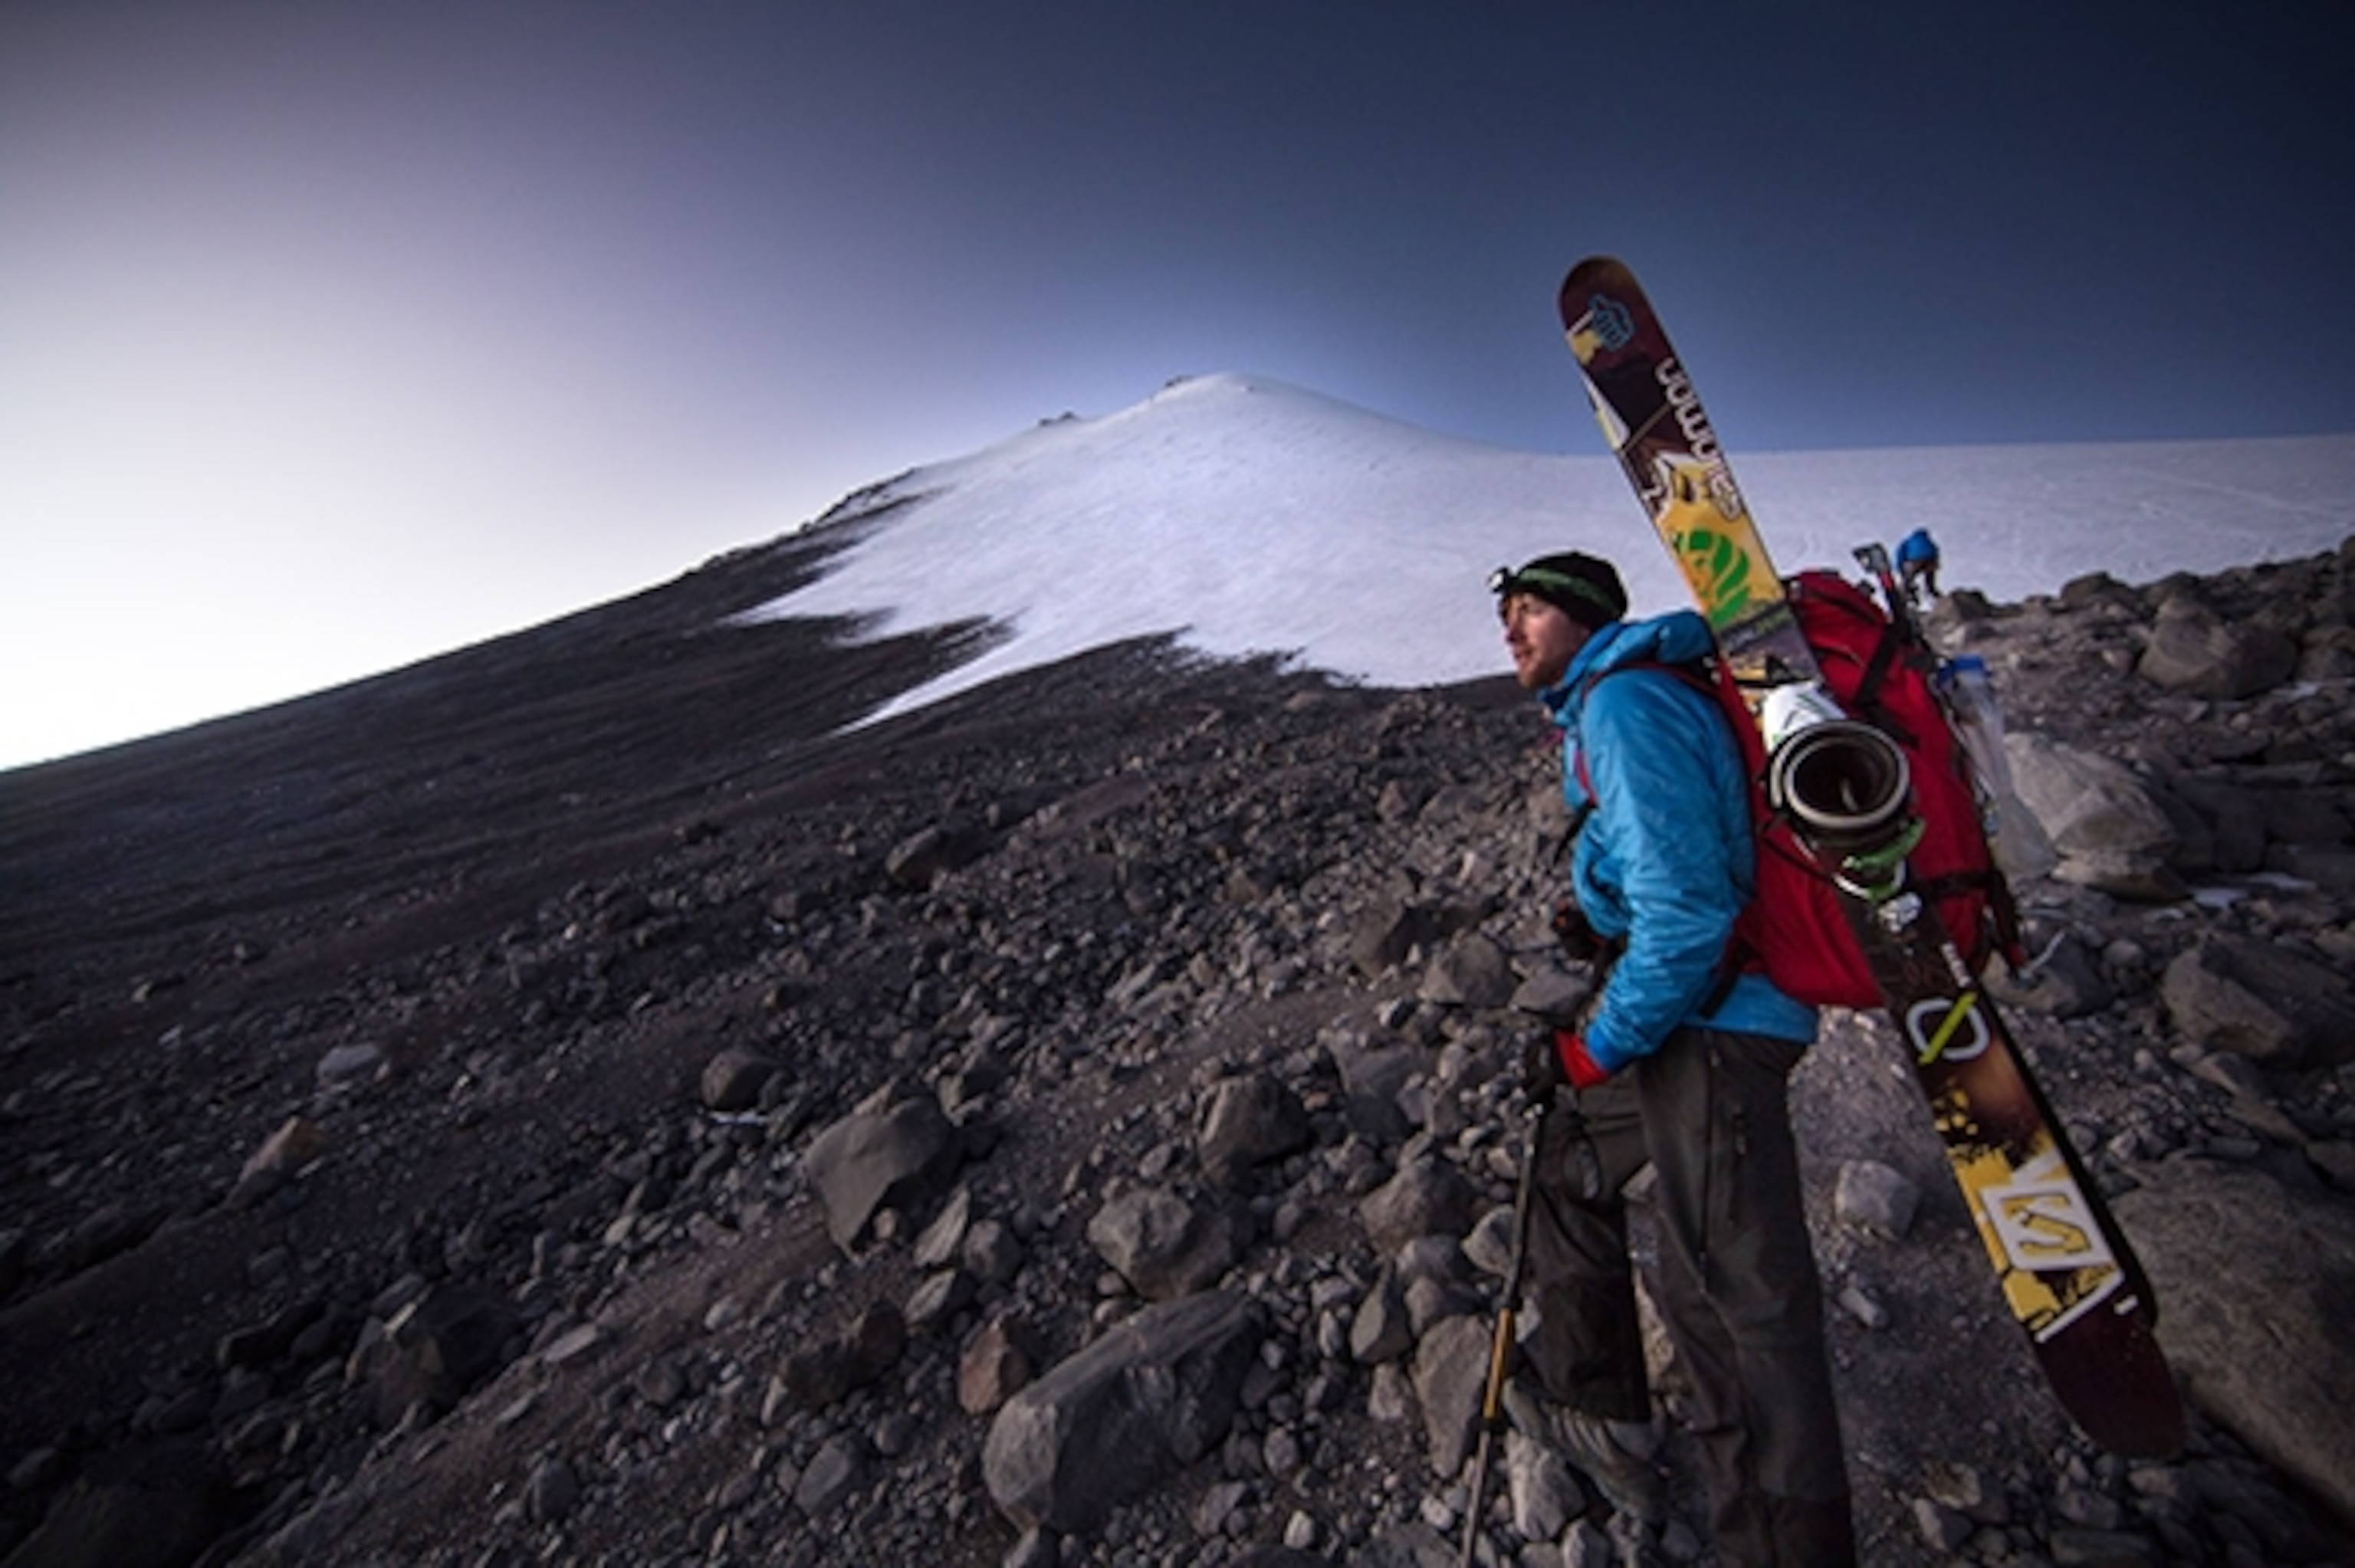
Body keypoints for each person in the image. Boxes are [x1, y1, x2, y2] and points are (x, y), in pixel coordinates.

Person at [1490, 553, 1856, 1566]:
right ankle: (1601, 1411)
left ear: (1588, 618)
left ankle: (1786, 1547)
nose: (1512, 631)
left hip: (1720, 1030)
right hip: (1701, 1016)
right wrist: (1594, 901)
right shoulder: (1618, 702)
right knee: (1568, 1150)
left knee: (1736, 1306)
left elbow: (1690, 912)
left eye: (1532, 610)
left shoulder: (1626, 704)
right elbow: (1669, 856)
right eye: (1508, 615)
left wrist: (1595, 1043)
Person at [1895, 526, 1941, 605]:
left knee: (1906, 581)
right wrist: (1935, 565)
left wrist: (1900, 569)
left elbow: (1900, 554)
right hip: (1931, 560)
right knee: (1930, 584)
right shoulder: (1929, 541)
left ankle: (1903, 599)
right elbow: (1936, 550)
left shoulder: (1908, 541)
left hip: (1915, 561)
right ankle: (1938, 598)